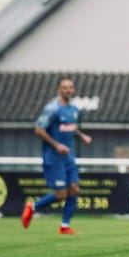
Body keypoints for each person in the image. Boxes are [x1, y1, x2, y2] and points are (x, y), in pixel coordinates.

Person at [21, 77, 92, 235]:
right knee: (61, 194)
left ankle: (64, 226)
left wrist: (82, 136)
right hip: (53, 157)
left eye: (70, 87)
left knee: (74, 189)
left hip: (69, 157)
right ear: (59, 90)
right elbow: (39, 129)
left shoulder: (74, 109)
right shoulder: (52, 108)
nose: (68, 90)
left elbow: (71, 127)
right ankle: (32, 207)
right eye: (65, 87)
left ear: (73, 90)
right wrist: (57, 145)